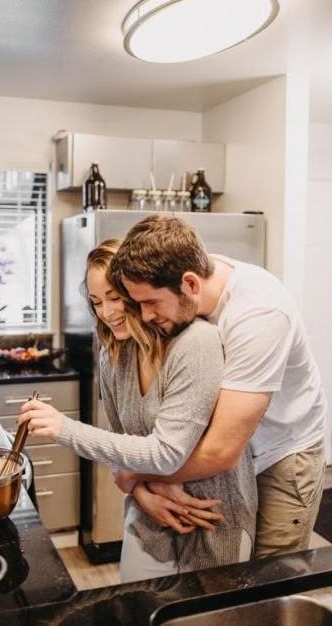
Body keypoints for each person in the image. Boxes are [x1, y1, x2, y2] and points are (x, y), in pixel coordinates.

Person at [18, 239, 257, 583]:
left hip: (214, 521)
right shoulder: (114, 353)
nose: (106, 312)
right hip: (149, 519)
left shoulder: (197, 344)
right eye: (97, 302)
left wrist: (67, 430)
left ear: (138, 291)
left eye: (115, 298)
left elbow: (165, 454)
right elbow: (123, 446)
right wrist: (141, 493)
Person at [109, 214, 326, 559]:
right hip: (232, 460)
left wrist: (131, 473)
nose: (146, 316)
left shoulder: (260, 316)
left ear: (191, 284)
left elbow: (220, 451)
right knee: (228, 582)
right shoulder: (190, 286)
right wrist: (140, 481)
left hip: (280, 457)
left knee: (269, 581)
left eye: (151, 302)